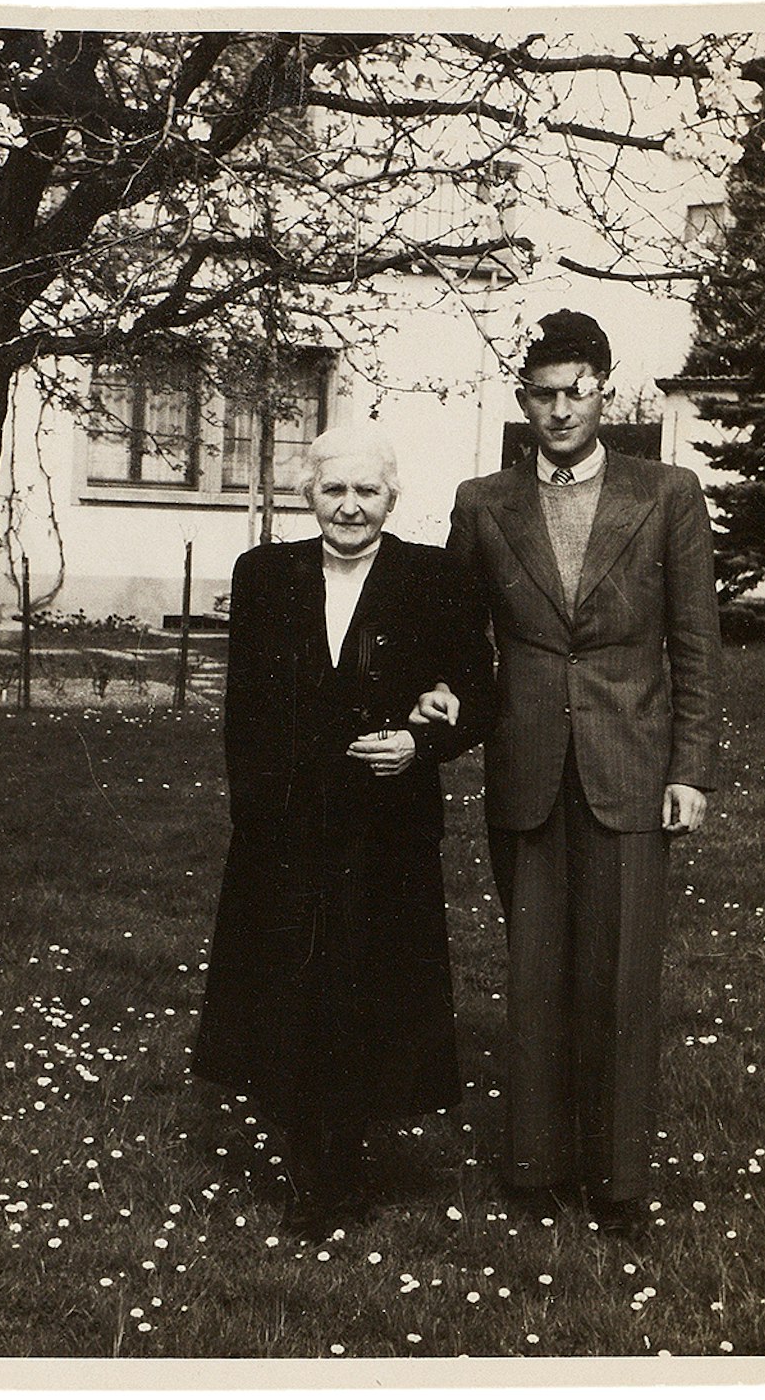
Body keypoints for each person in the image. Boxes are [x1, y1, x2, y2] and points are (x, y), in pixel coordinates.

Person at [419, 310, 721, 1234]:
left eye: (576, 392)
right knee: (537, 971)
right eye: (542, 394)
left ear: (604, 393)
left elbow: (696, 645)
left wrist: (692, 769)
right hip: (528, 768)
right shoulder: (483, 501)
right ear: (524, 401)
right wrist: (438, 701)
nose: (559, 410)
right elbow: (459, 642)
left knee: (620, 977)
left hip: (633, 767)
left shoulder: (667, 492)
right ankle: (535, 1164)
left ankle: (618, 1179)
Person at [192, 424, 494, 1239]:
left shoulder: (434, 576)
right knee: (290, 983)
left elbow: (479, 690)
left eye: (367, 491)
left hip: (385, 827)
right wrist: (254, 811)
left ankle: (346, 1158)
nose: (350, 506)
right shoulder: (266, 574)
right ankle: (306, 1163)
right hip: (286, 823)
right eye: (334, 490)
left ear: (392, 498)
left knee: (366, 987)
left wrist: (423, 740)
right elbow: (245, 705)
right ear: (309, 496)